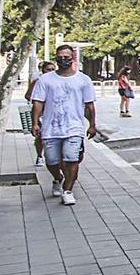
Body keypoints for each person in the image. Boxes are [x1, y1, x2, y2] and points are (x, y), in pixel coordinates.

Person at [31, 46, 96, 206]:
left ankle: (67, 191)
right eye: (60, 56)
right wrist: (35, 122)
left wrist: (92, 125)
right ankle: (58, 178)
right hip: (51, 128)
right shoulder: (45, 80)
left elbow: (89, 105)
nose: (63, 59)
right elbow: (38, 102)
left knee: (72, 159)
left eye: (67, 56)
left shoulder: (83, 80)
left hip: (74, 127)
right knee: (51, 161)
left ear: (72, 58)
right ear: (56, 58)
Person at [26, 61, 57, 166]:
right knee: (40, 136)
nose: (51, 72)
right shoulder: (38, 81)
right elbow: (28, 95)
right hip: (40, 113)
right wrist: (39, 99)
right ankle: (39, 156)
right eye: (48, 69)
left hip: (54, 112)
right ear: (43, 70)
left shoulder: (57, 81)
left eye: (53, 69)